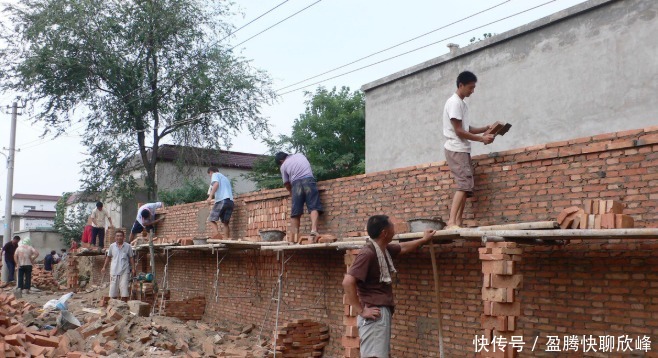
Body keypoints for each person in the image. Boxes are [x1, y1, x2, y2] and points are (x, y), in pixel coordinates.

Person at [342, 215, 436, 358]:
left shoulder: (383, 249)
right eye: (392, 225)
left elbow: (402, 247)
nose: (395, 228)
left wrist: (423, 240)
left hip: (380, 314)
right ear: (384, 232)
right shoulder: (368, 253)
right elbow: (348, 281)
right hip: (374, 314)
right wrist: (360, 310)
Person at [442, 71, 495, 229]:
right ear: (461, 85)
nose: (473, 91)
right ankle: (451, 222)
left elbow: (466, 128)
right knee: (463, 185)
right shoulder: (454, 103)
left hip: (462, 149)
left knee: (466, 187)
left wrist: (485, 128)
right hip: (456, 149)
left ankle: (458, 222)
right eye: (471, 87)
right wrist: (482, 139)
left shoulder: (462, 104)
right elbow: (459, 131)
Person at [274, 152, 323, 242]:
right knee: (313, 206)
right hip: (308, 181)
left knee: (295, 211)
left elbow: (286, 183)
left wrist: (291, 192)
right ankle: (314, 230)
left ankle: (294, 236)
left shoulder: (283, 166)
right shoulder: (300, 155)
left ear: (281, 161)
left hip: (296, 185)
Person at [101, 231, 135, 302]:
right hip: (114, 271)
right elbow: (108, 257)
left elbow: (131, 258)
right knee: (113, 291)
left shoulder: (128, 246)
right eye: (117, 236)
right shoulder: (112, 246)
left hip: (124, 271)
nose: (119, 237)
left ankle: (123, 307)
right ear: (115, 237)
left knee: (124, 291)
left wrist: (133, 268)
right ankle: (114, 306)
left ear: (123, 237)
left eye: (120, 236)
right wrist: (104, 267)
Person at [206, 167, 234, 240]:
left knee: (211, 219)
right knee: (225, 223)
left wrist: (210, 197)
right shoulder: (225, 178)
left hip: (222, 200)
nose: (210, 177)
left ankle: (217, 236)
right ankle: (226, 239)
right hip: (230, 202)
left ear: (211, 172)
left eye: (210, 175)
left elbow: (216, 184)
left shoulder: (215, 175)